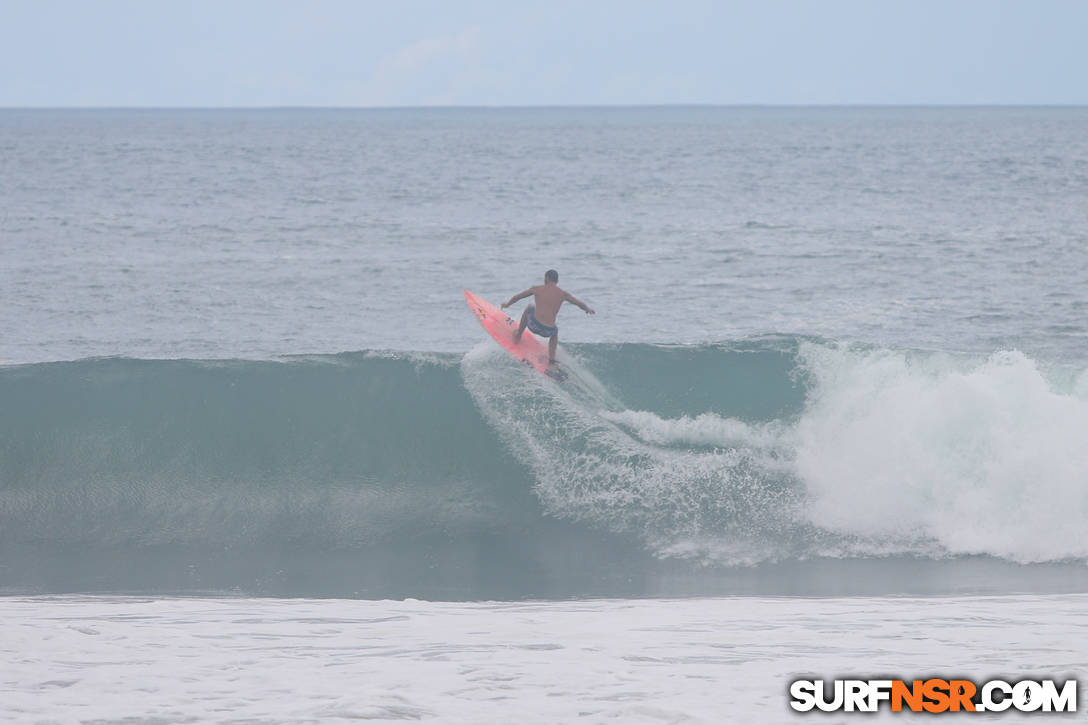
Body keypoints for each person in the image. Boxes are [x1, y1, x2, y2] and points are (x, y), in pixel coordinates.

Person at [502, 269, 594, 364]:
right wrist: (588, 309)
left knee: (530, 307)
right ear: (557, 281)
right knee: (555, 331)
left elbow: (517, 297)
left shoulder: (537, 289)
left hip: (534, 326)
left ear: (546, 278)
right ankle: (552, 360)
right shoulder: (563, 294)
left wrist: (507, 304)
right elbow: (580, 304)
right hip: (548, 332)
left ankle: (518, 335)